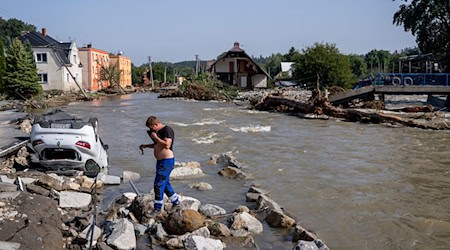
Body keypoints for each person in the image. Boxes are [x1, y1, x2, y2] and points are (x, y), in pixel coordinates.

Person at [139, 116, 180, 215]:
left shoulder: (167, 130)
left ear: (156, 125)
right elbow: (158, 144)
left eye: (151, 128)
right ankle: (176, 202)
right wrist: (146, 145)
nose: (151, 130)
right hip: (161, 162)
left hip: (167, 161)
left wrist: (155, 137)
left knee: (158, 184)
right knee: (165, 184)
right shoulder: (157, 132)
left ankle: (157, 209)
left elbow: (167, 145)